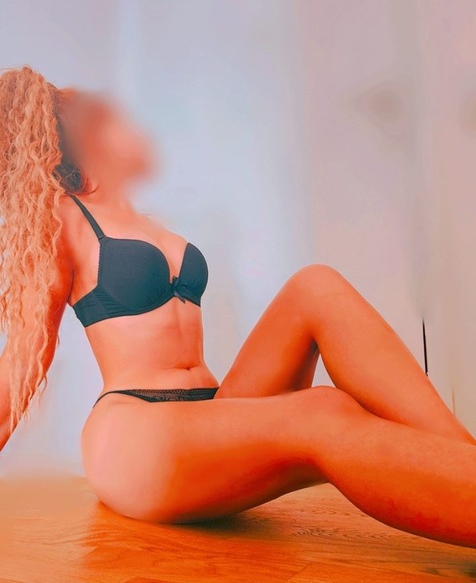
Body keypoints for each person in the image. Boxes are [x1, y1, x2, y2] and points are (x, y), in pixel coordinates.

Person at [0, 66, 475, 550]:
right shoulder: (60, 218)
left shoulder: (141, 219)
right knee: (322, 409)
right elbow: (22, 361)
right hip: (136, 433)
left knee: (316, 286)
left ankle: (464, 462)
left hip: (210, 413)